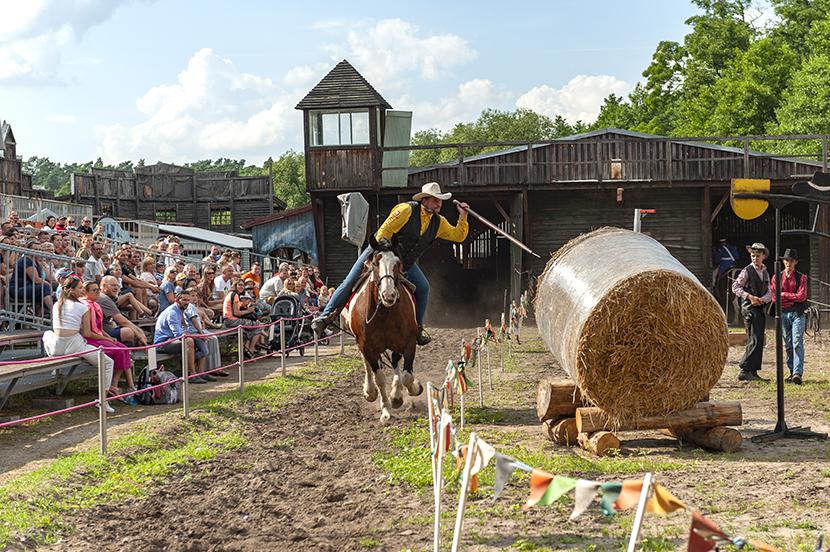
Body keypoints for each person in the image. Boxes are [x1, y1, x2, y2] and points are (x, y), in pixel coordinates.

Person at [312, 182, 469, 345]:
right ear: (425, 200)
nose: (439, 204)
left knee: (423, 288)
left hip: (405, 262)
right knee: (350, 281)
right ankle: (324, 317)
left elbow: (458, 236)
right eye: (436, 200)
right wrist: (380, 256)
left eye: (440, 200)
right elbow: (384, 232)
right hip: (380, 253)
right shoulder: (405, 210)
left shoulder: (439, 222)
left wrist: (463, 216)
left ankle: (418, 328)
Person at [42, 276, 115, 413]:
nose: (82, 290)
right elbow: (87, 333)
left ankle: (54, 365)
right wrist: (107, 339)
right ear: (71, 290)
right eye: (80, 288)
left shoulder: (57, 304)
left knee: (47, 334)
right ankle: (103, 401)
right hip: (75, 346)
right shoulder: (83, 307)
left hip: (56, 347)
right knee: (108, 363)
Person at [81, 281, 136, 403]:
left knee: (123, 348)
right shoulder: (86, 307)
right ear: (85, 292)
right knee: (118, 351)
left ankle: (114, 385)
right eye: (94, 290)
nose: (97, 292)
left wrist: (109, 338)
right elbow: (88, 332)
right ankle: (113, 387)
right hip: (89, 339)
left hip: (99, 335)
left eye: (97, 290)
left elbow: (99, 329)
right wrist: (107, 339)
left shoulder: (96, 305)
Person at [731, 242, 772, 382]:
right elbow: (735, 287)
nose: (755, 258)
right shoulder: (746, 271)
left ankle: (753, 371)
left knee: (759, 339)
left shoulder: (765, 272)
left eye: (757, 256)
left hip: (760, 307)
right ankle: (744, 369)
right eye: (753, 256)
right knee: (754, 338)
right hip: (749, 308)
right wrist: (750, 297)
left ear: (763, 256)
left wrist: (763, 299)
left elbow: (769, 291)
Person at [154, 291, 212, 383]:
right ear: (177, 300)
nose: (187, 302)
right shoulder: (172, 312)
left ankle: (201, 372)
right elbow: (179, 335)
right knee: (189, 341)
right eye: (184, 300)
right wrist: (198, 336)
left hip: (172, 339)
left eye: (188, 300)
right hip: (163, 343)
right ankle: (192, 374)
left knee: (198, 339)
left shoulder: (180, 310)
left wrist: (199, 335)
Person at [770, 248, 808, 384]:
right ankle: (792, 372)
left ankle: (798, 372)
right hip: (783, 313)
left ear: (795, 262)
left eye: (791, 261)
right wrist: (792, 297)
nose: (788, 263)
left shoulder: (802, 277)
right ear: (783, 261)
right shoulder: (776, 277)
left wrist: (784, 294)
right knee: (787, 343)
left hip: (797, 313)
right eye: (786, 260)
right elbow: (775, 298)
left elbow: (802, 296)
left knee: (797, 341)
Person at [183, 288, 227, 377]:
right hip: (193, 332)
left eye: (196, 296)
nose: (195, 298)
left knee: (213, 338)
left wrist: (207, 325)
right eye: (192, 296)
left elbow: (203, 320)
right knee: (211, 339)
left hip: (199, 330)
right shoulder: (189, 306)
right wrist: (201, 332)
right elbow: (193, 320)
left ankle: (212, 367)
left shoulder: (195, 307)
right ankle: (210, 368)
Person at [98, 275, 148, 347]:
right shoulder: (104, 299)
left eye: (117, 286)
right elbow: (123, 321)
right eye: (112, 285)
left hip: (105, 329)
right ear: (103, 286)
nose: (116, 288)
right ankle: (128, 353)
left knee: (131, 329)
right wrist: (140, 335)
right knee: (128, 332)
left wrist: (139, 331)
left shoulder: (107, 297)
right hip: (102, 333)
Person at [223, 279, 266, 357]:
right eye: (239, 285)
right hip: (231, 320)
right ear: (235, 286)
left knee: (254, 325)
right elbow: (236, 313)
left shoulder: (233, 295)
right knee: (258, 326)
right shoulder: (234, 295)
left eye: (242, 285)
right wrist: (249, 311)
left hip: (232, 319)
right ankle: (251, 350)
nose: (241, 287)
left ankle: (247, 348)